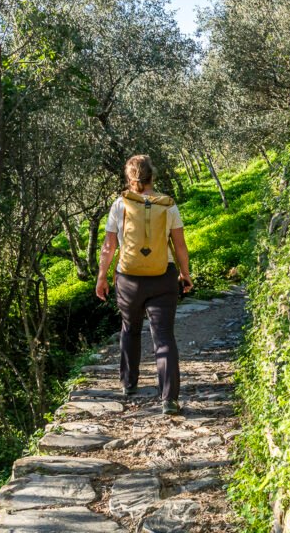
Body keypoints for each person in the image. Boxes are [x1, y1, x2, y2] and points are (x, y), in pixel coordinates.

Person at [95, 155, 194, 415]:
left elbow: (109, 246)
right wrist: (185, 274)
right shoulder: (168, 205)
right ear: (153, 177)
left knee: (130, 329)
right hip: (163, 277)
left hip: (128, 279)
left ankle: (129, 383)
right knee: (163, 337)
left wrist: (102, 276)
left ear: (130, 178)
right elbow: (180, 245)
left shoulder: (120, 205)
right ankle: (169, 399)